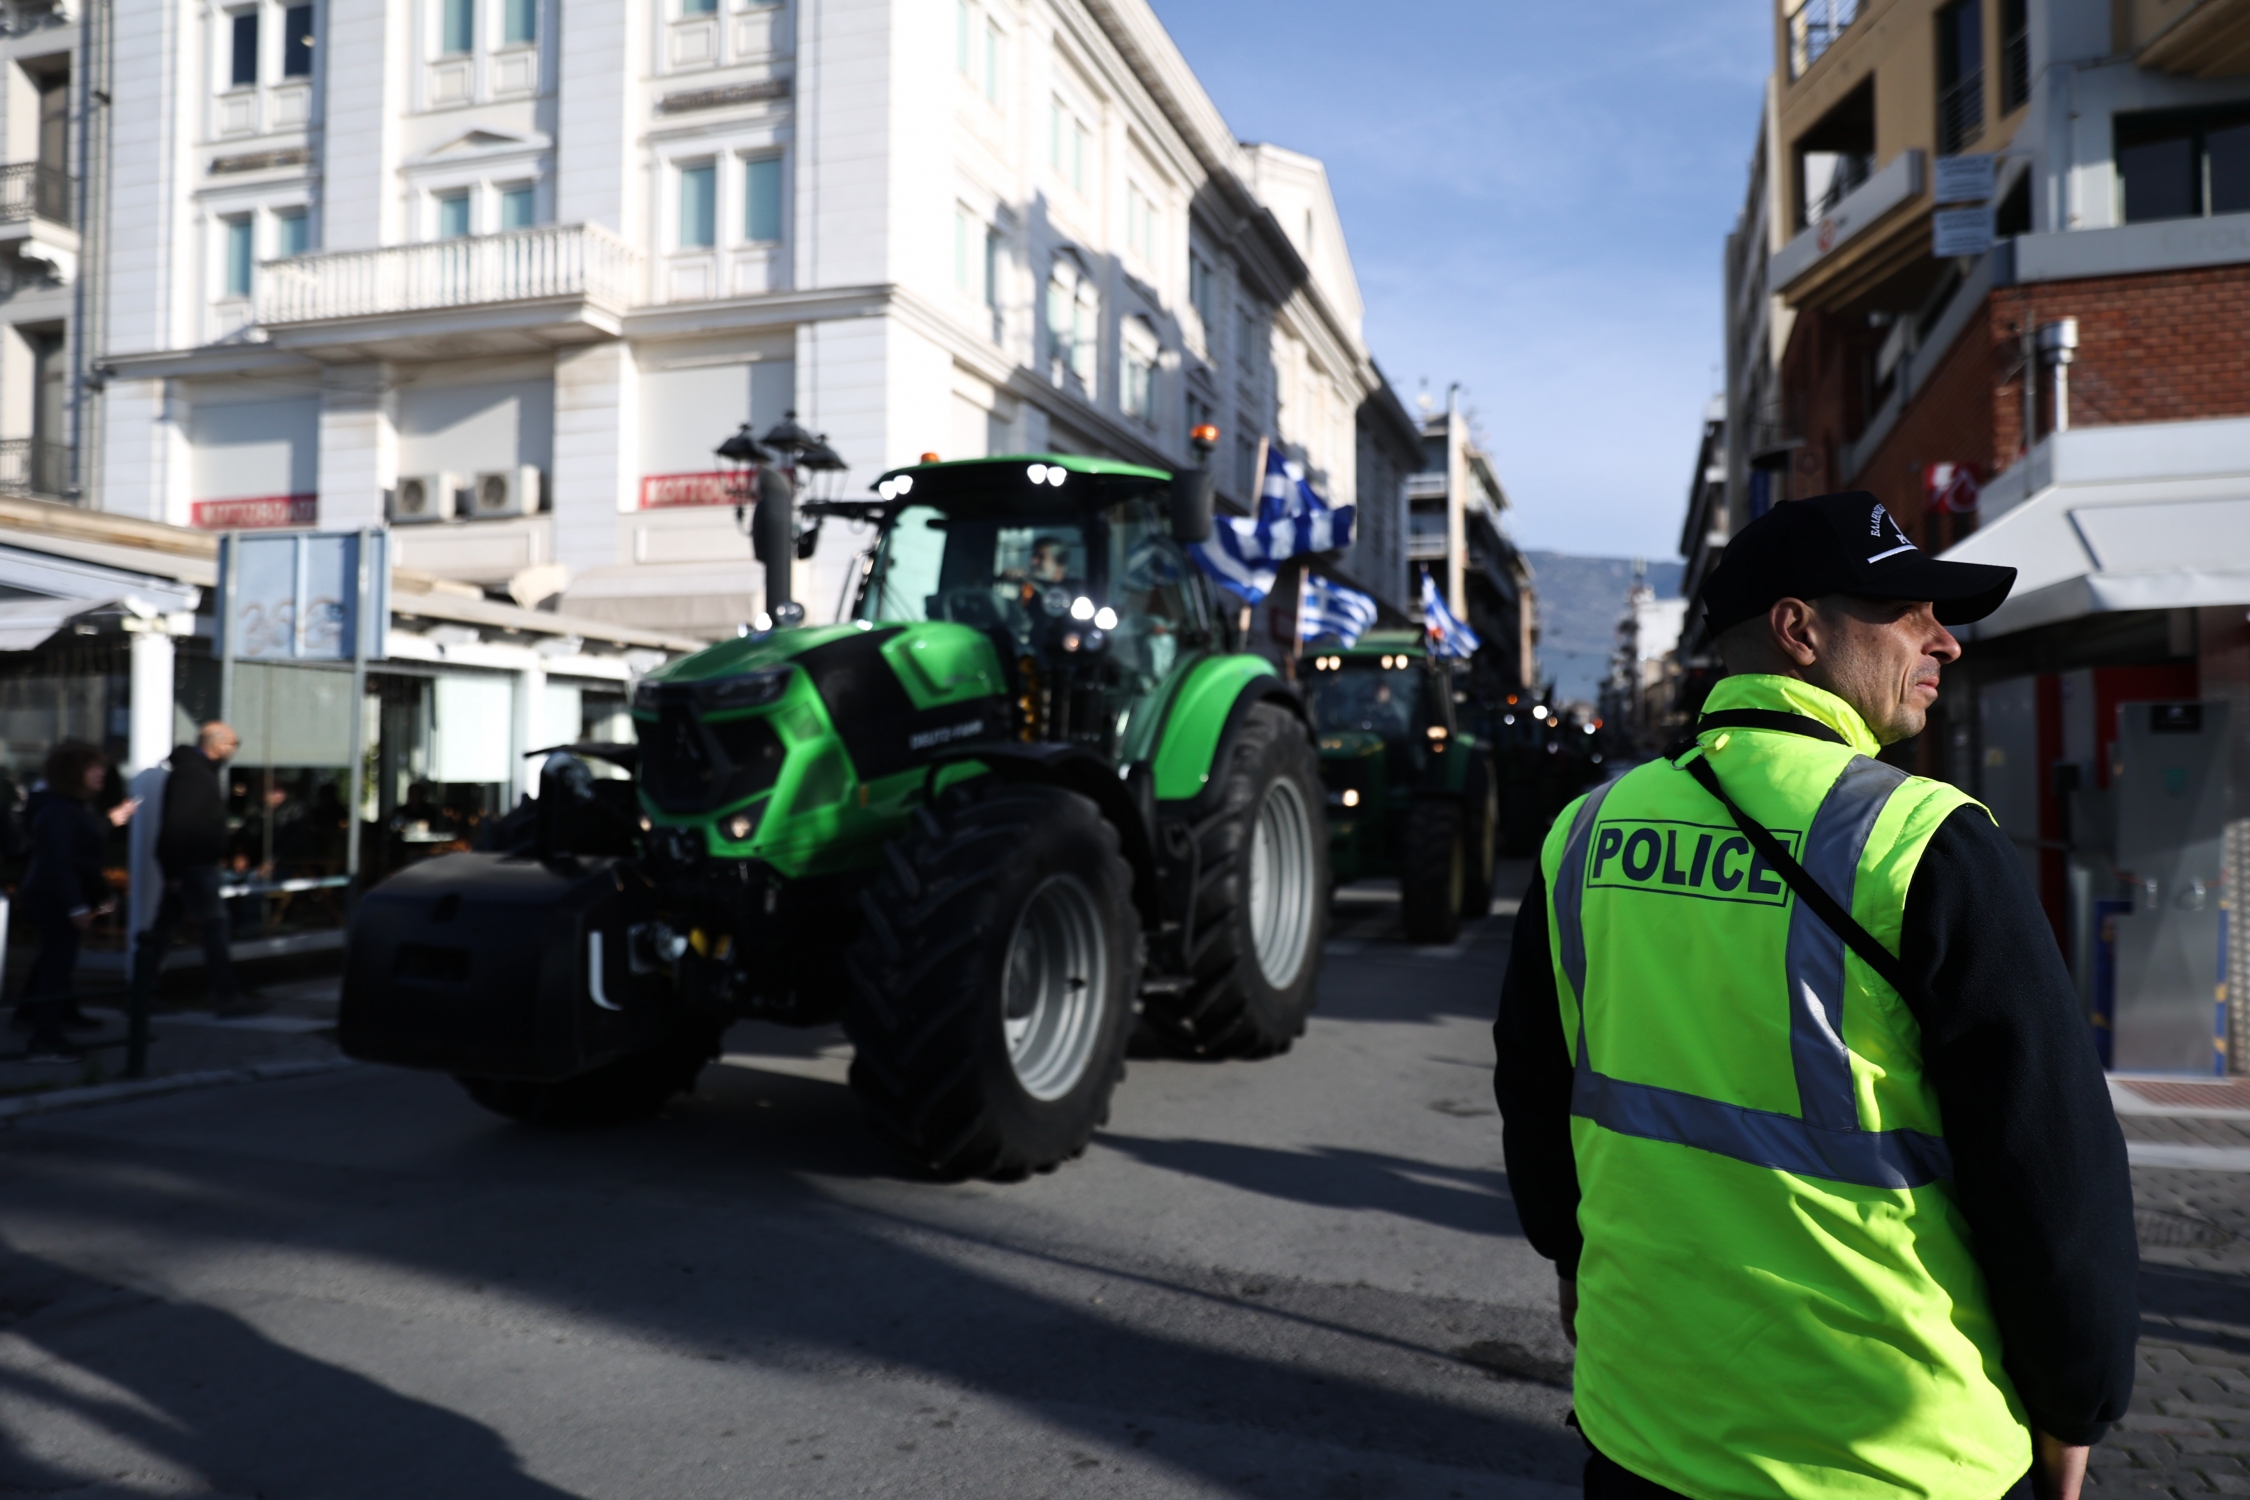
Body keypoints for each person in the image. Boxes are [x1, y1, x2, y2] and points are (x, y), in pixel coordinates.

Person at [1494, 491, 2137, 1500]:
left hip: (1646, 1430)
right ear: (1800, 630)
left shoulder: (1585, 833)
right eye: (1909, 611)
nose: (1947, 642)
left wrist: (1576, 1268)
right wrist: (2077, 1404)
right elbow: (2052, 1170)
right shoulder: (1926, 841)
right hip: (1890, 1452)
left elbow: (1536, 1098)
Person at [12, 741, 136, 1057]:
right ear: (74, 773)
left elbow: (78, 855)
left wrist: (95, 895)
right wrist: (76, 905)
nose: (101, 775)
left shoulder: (66, 807)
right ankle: (45, 1037)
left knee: (54, 959)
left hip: (56, 894)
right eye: (94, 769)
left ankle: (38, 1017)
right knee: (57, 962)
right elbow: (61, 862)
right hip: (54, 897)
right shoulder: (59, 810)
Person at [149, 721, 264, 1018]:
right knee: (213, 925)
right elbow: (179, 825)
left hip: (189, 865)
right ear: (216, 744)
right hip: (192, 866)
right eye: (232, 744)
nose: (233, 751)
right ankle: (226, 996)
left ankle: (142, 993)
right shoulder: (194, 775)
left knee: (167, 928)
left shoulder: (195, 773)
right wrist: (174, 871)